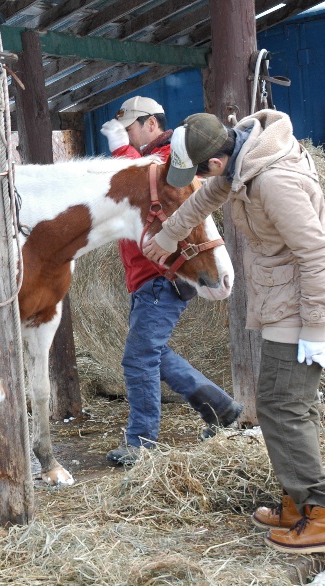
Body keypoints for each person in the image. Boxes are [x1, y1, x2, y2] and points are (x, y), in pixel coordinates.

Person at [143, 109, 325, 554]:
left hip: (301, 306)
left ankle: (319, 512)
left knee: (283, 406)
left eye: (201, 172)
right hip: (284, 297)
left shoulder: (272, 181)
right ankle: (299, 500)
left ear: (217, 162)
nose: (203, 180)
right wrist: (167, 237)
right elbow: (204, 200)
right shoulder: (245, 158)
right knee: (290, 404)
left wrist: (317, 330)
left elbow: (317, 253)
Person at [99, 96, 243, 465]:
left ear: (151, 123)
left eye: (130, 128)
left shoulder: (171, 157)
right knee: (154, 354)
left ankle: (142, 443)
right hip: (146, 276)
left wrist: (120, 151)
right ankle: (222, 409)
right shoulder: (150, 155)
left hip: (163, 275)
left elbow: (153, 183)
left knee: (138, 358)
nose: (128, 136)